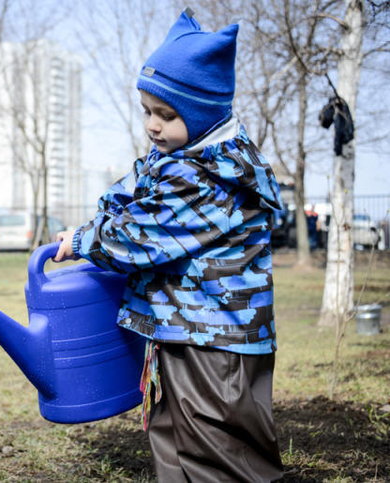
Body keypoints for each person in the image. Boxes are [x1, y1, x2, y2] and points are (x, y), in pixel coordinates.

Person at [53, 9, 283, 482]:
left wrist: (83, 239)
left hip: (217, 338)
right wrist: (104, 211)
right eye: (147, 111)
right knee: (172, 433)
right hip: (182, 327)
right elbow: (133, 186)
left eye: (167, 115)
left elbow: (140, 237)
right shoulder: (178, 158)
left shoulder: (208, 178)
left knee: (216, 444)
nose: (152, 126)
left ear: (202, 115)